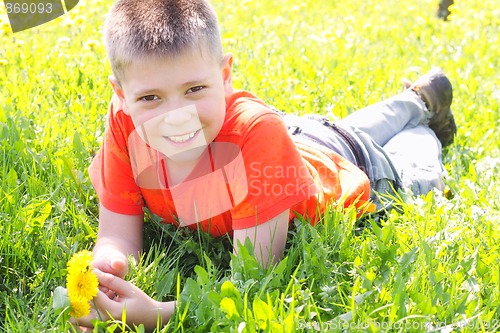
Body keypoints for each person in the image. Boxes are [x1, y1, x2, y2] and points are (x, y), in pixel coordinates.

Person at [74, 0, 456, 329]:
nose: (176, 117)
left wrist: (161, 313)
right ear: (121, 95)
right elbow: (118, 235)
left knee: (416, 175)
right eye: (151, 98)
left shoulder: (256, 134)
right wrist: (107, 267)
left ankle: (425, 116)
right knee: (339, 129)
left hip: (353, 165)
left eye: (194, 89)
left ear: (225, 76)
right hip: (297, 137)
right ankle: (419, 98)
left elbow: (253, 279)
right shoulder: (124, 123)